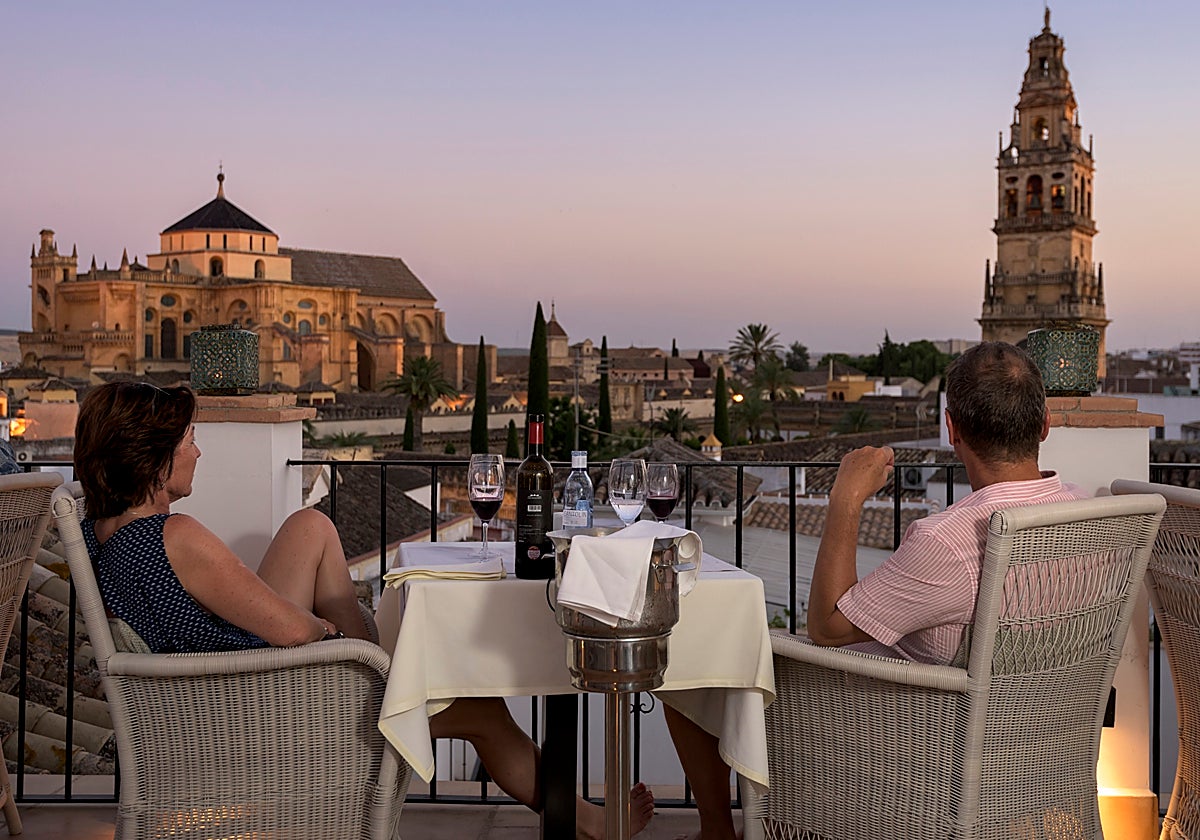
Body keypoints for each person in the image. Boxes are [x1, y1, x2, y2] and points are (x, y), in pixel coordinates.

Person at [73, 381, 653, 839]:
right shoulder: (175, 536)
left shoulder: (102, 534)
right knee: (481, 709)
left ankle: (384, 672)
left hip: (209, 702)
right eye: (189, 439)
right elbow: (290, 628)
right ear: (153, 458)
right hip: (264, 710)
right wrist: (332, 636)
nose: (198, 449)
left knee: (312, 525)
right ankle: (591, 823)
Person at [807, 341, 1086, 665]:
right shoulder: (1083, 510)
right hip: (1055, 710)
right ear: (1045, 424)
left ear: (951, 429)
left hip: (905, 712)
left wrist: (846, 498)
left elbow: (827, 629)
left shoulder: (945, 543)